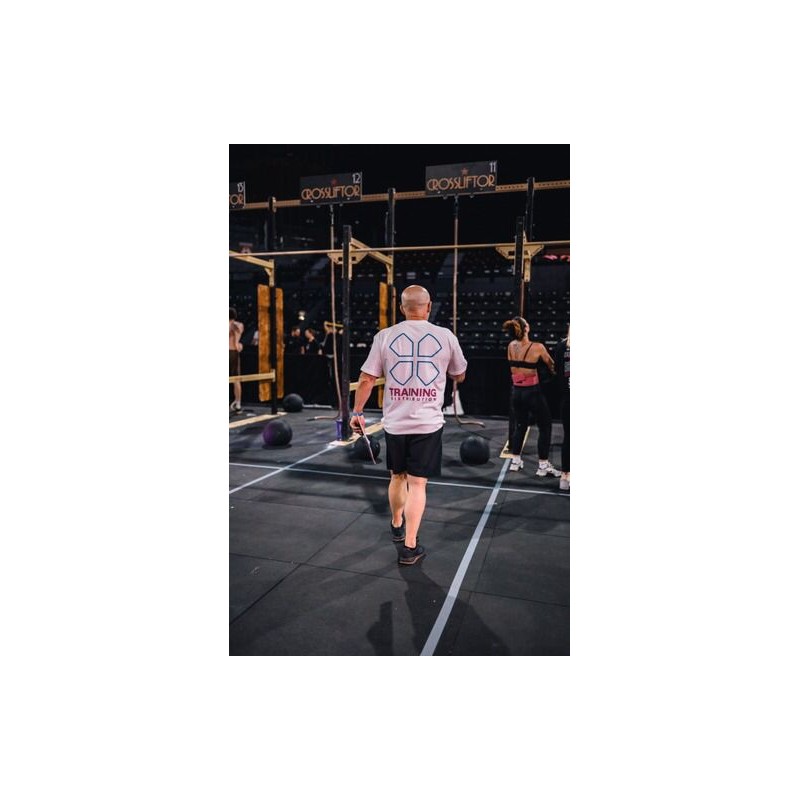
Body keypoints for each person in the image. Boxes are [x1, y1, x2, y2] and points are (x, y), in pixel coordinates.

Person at [351, 285, 467, 566]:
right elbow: (460, 374)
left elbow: (366, 379)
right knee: (417, 484)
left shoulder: (385, 336)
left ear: (402, 308)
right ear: (429, 307)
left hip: (395, 423)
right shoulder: (445, 336)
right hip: (427, 423)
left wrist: (357, 412)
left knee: (397, 477)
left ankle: (396, 524)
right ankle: (410, 546)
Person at [502, 315, 561, 477]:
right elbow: (552, 366)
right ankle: (543, 465)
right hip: (532, 393)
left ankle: (515, 461)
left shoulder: (510, 346)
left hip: (516, 392)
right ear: (526, 329)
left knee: (520, 425)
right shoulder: (538, 347)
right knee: (545, 426)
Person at [552, 325, 570, 491]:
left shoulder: (561, 347)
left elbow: (556, 370)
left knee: (569, 438)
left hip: (567, 398)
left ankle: (565, 476)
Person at [229, 307, 244, 413]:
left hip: (230, 351)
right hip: (234, 352)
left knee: (235, 378)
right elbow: (236, 340)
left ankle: (238, 402)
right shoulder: (240, 325)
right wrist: (238, 345)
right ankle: (238, 402)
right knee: (236, 379)